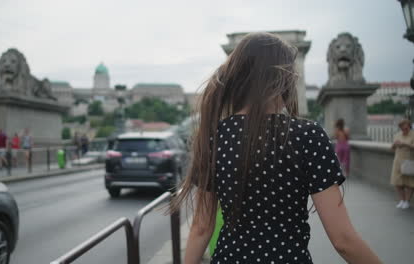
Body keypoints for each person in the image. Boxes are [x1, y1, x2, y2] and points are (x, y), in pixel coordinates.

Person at [172, 33, 381, 264]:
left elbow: (201, 228)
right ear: (283, 79)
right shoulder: (306, 136)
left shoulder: (215, 137)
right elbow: (343, 241)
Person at [391, 119, 414, 210]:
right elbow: (392, 148)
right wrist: (394, 145)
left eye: (406, 126)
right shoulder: (397, 135)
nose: (404, 128)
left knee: (409, 183)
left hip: (409, 161)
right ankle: (402, 200)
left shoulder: (413, 134)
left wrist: (404, 144)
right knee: (397, 182)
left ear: (409, 126)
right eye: (402, 127)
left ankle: (407, 201)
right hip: (398, 161)